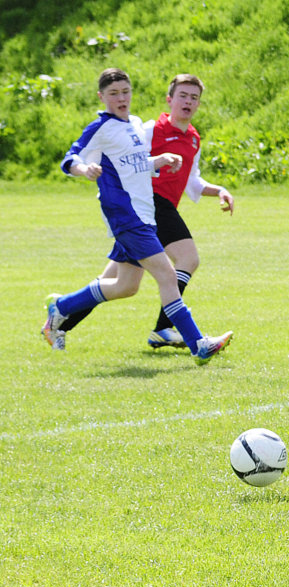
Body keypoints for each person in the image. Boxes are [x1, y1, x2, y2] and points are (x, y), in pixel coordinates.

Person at [42, 67, 232, 365]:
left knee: (125, 286)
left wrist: (159, 160)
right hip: (126, 213)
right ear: (101, 96)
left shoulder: (132, 124)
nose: (121, 98)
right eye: (113, 93)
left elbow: (134, 163)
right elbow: (70, 157)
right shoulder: (101, 127)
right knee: (168, 274)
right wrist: (84, 169)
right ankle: (198, 344)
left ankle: (61, 307)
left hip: (144, 214)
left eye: (125, 92)